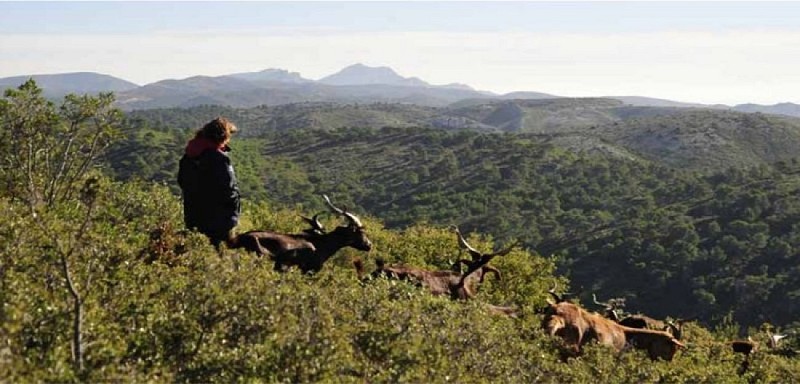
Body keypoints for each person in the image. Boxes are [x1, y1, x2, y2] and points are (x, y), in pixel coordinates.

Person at [177, 117, 241, 249]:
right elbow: (229, 190)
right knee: (222, 257)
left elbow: (182, 182)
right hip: (219, 222)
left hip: (193, 218)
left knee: (197, 254)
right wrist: (233, 214)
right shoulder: (219, 159)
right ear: (223, 137)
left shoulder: (188, 156)